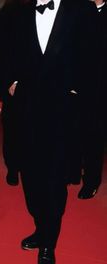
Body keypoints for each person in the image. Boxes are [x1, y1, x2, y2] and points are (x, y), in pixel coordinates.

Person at [0, 0, 90, 264]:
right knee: (32, 176)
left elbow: (91, 54)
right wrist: (8, 82)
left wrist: (78, 90)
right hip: (26, 108)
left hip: (62, 110)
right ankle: (40, 225)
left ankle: (49, 241)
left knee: (53, 177)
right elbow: (3, 53)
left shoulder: (79, 10)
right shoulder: (15, 11)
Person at [0, 0, 26, 186]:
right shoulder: (8, 11)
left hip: (45, 84)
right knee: (13, 127)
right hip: (14, 84)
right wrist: (10, 81)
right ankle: (13, 167)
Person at [77, 0, 107, 199]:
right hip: (77, 83)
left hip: (102, 86)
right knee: (75, 131)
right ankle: (74, 170)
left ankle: (91, 180)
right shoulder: (76, 9)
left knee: (95, 135)